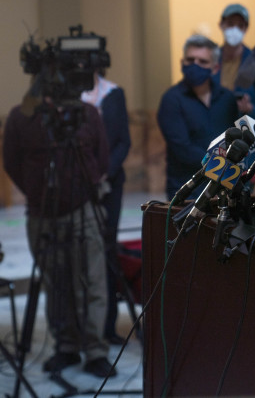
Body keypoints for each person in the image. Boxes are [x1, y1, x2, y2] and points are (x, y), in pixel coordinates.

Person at [3, 78, 116, 378]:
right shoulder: (22, 116)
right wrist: (36, 189)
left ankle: (95, 351)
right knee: (56, 283)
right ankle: (66, 346)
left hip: (83, 209)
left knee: (92, 282)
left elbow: (102, 158)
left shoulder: (88, 115)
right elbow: (12, 162)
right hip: (42, 214)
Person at [158, 34, 240, 201]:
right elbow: (183, 149)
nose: (195, 65)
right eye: (190, 60)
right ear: (182, 63)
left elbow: (234, 138)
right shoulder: (172, 99)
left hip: (224, 188)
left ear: (215, 68)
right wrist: (223, 168)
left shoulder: (227, 99)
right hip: (187, 189)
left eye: (202, 62)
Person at [81, 72, 131, 345]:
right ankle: (79, 331)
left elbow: (124, 140)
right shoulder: (65, 94)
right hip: (75, 187)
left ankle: (107, 326)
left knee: (107, 250)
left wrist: (104, 173)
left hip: (109, 184)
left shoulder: (114, 93)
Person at [213, 3, 255, 119]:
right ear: (221, 25)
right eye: (230, 24)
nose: (234, 29)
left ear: (246, 28)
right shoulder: (210, 60)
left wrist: (250, 109)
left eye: (240, 25)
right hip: (214, 128)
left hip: (244, 130)